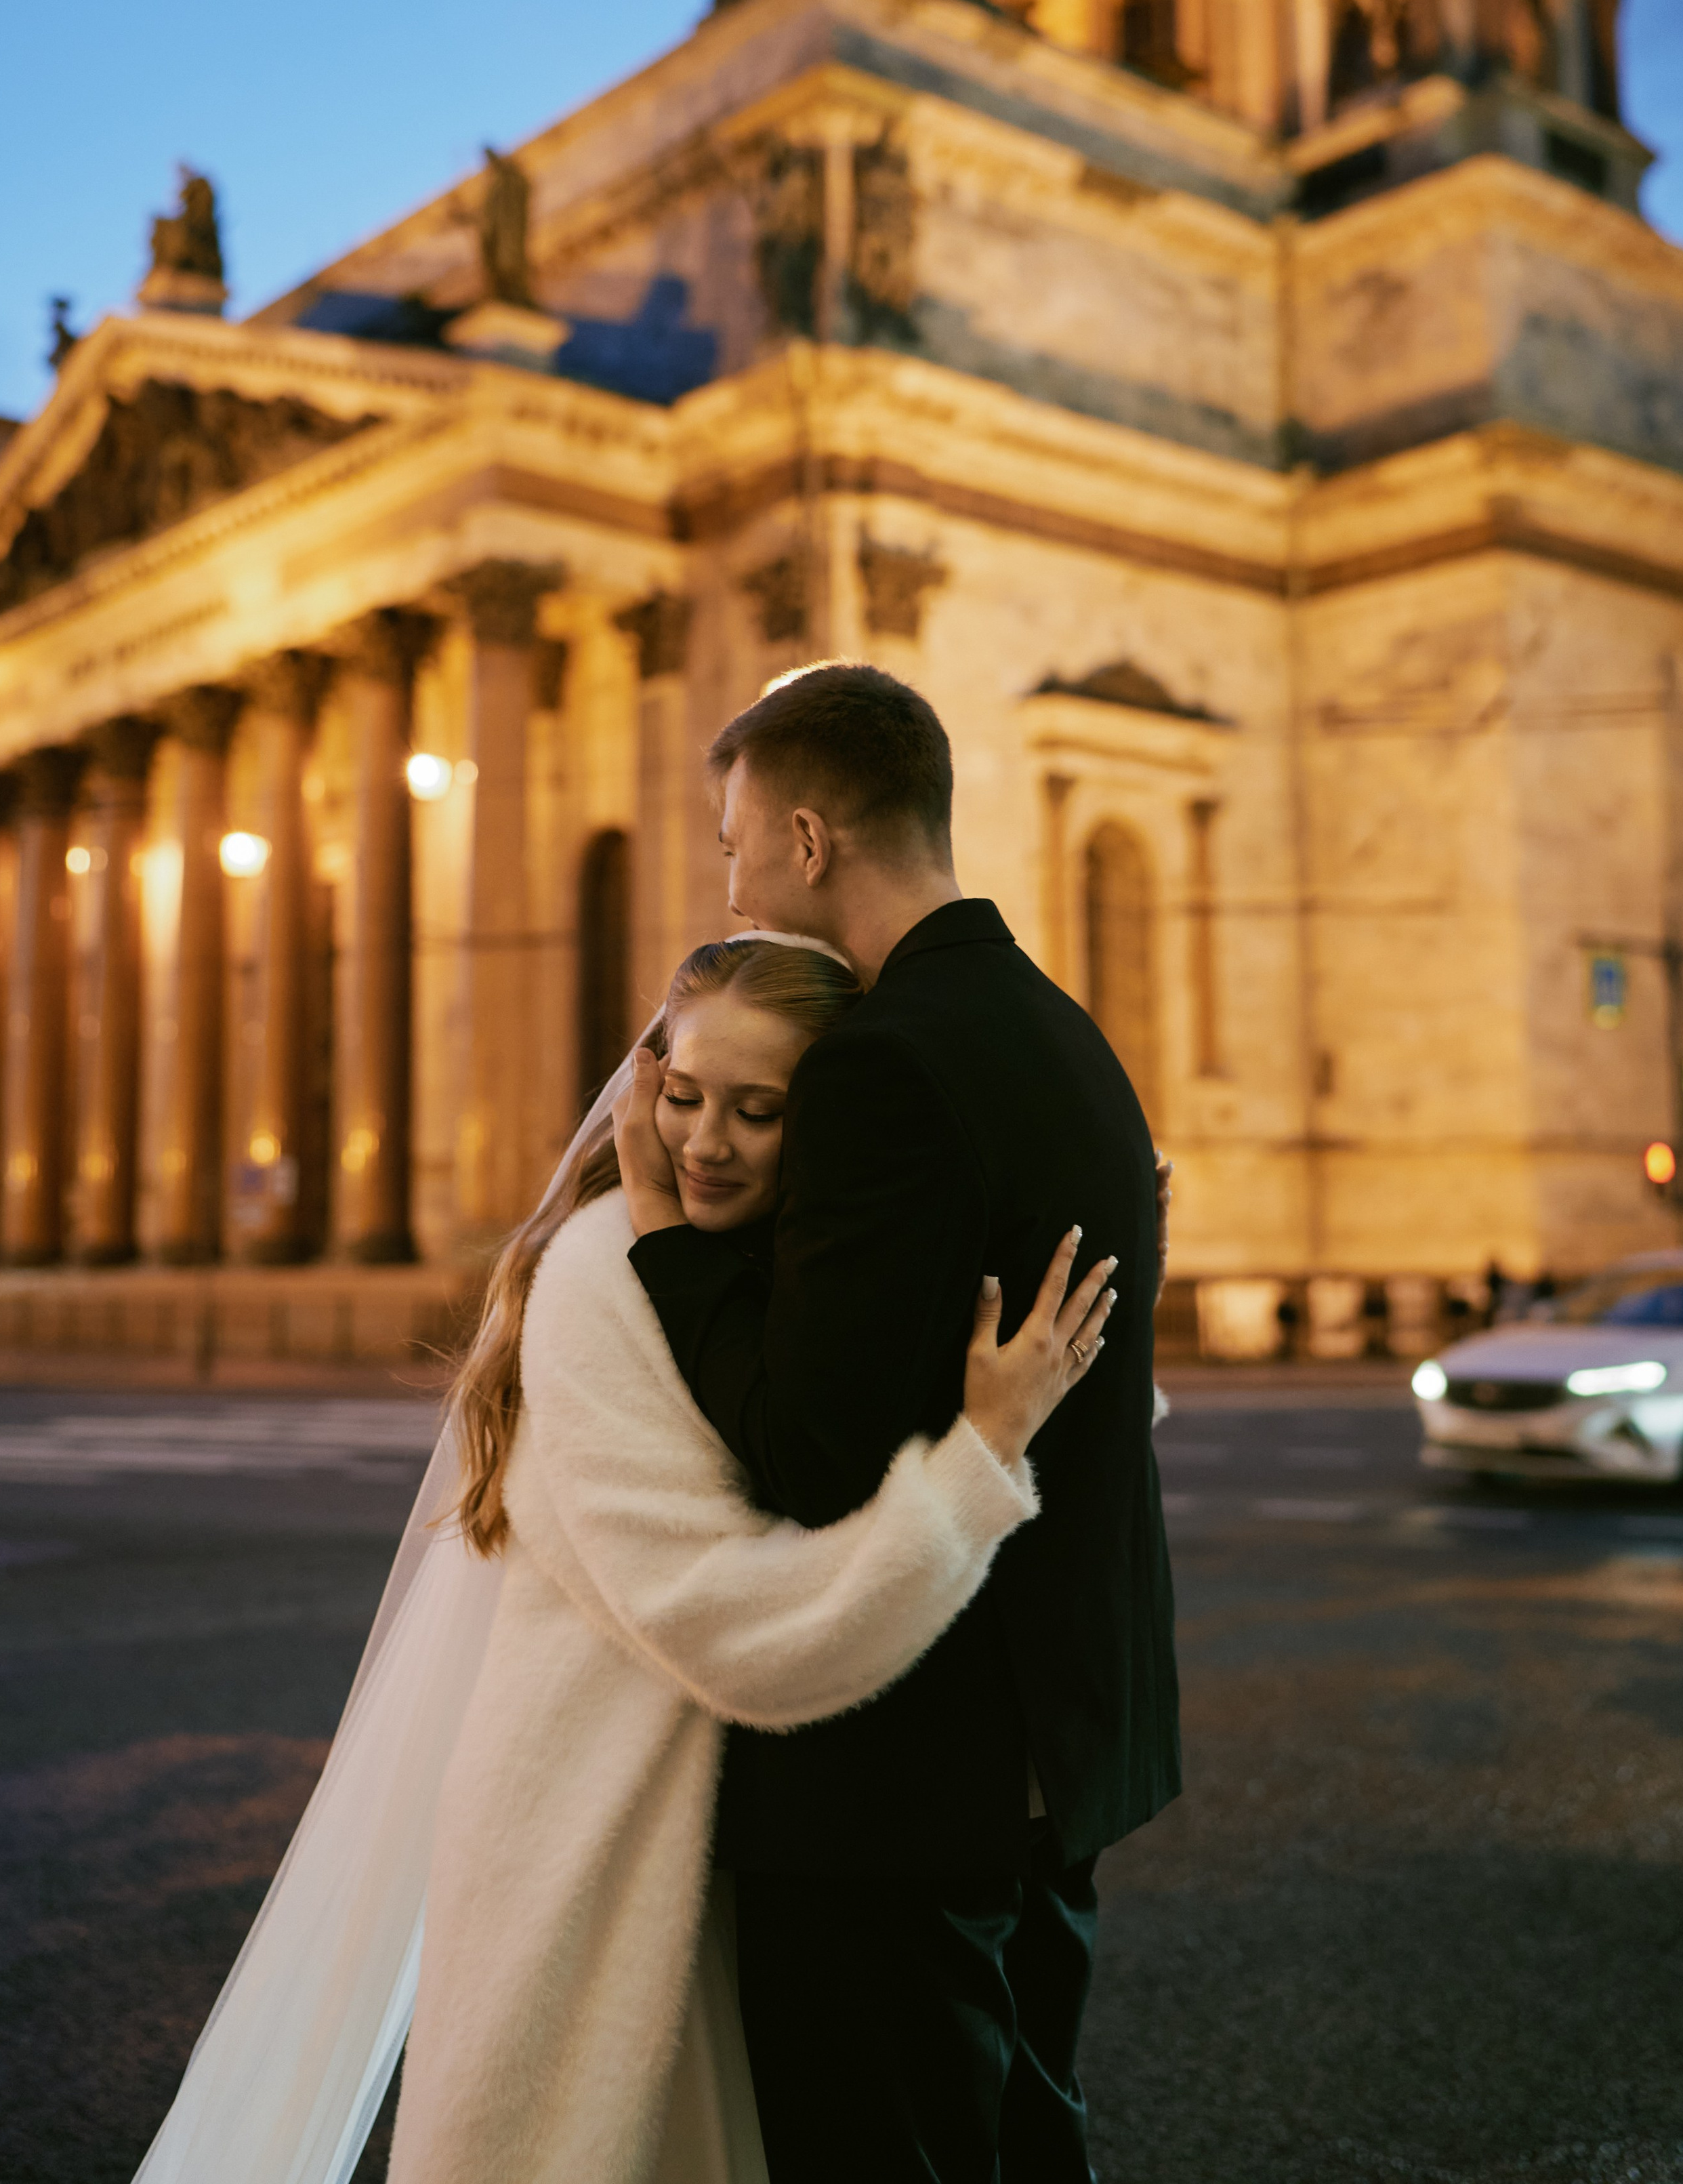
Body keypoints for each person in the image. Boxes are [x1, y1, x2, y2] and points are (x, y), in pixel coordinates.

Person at [131, 933, 1116, 2184]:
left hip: (685, 1857)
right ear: (644, 1086)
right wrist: (981, 1462)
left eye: (759, 1111)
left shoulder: (759, 1269)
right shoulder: (607, 1278)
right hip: (583, 1866)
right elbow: (739, 1631)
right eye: (685, 1096)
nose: (706, 1143)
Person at [616, 663, 1180, 2184]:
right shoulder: (1063, 1031)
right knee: (1026, 2137)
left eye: (737, 843)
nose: (731, 880)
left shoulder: (880, 1063)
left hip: (909, 1766)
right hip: (1062, 1733)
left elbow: (808, 1451)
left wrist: (664, 1234)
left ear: (808, 840)